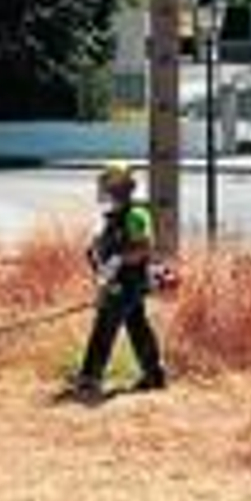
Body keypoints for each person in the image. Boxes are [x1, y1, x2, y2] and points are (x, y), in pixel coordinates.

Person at [71, 163, 167, 398]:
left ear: (120, 185)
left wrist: (117, 261)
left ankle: (89, 379)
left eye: (106, 182)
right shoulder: (114, 215)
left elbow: (143, 248)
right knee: (137, 327)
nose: (102, 187)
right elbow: (104, 246)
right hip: (117, 281)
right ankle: (154, 375)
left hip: (128, 283)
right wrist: (99, 258)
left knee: (104, 328)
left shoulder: (135, 214)